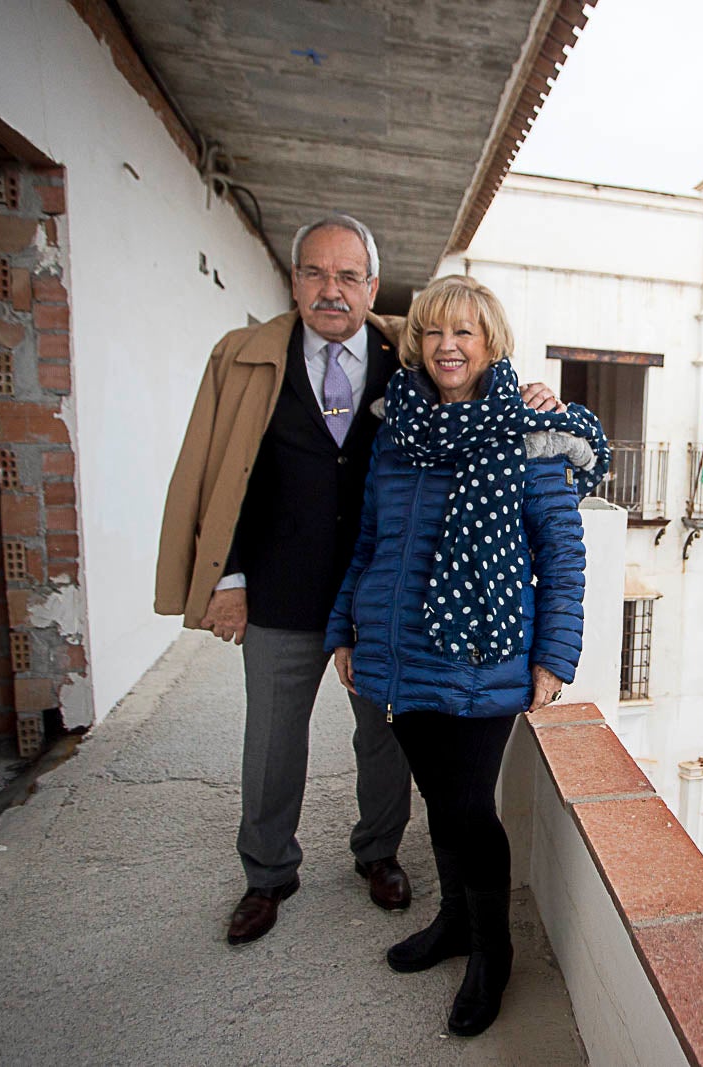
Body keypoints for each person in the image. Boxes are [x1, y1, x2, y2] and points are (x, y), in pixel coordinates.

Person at [155, 215, 562, 947]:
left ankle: (379, 853)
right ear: (294, 280)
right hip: (279, 587)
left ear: (373, 287)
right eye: (315, 272)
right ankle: (268, 874)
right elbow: (223, 475)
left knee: (385, 741)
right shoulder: (247, 359)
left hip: (383, 603)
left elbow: (475, 370)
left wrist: (538, 396)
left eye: (348, 276)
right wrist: (227, 577)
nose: (331, 290)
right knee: (272, 741)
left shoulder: (403, 351)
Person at [325, 275, 607, 1037]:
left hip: (482, 652)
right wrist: (345, 628)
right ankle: (454, 921)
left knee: (468, 808)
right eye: (434, 331)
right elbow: (370, 539)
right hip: (396, 649)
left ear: (491, 343)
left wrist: (554, 655)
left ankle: (492, 952)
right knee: (440, 801)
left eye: (464, 332)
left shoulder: (530, 431)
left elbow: (562, 554)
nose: (447, 346)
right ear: (417, 342)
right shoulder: (397, 428)